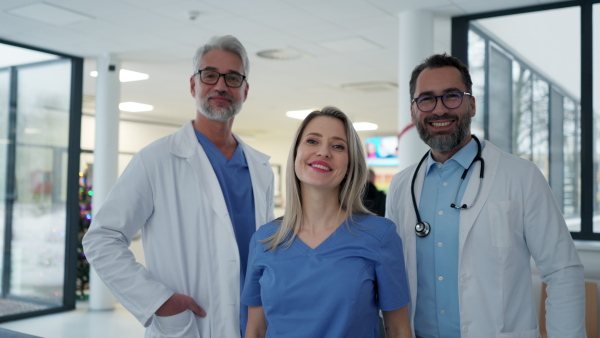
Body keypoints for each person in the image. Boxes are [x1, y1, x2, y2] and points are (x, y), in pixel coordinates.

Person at [82, 35, 274, 338]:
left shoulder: (261, 169)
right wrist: (158, 301)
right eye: (209, 75)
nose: (221, 86)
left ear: (245, 90)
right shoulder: (155, 160)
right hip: (191, 325)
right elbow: (101, 238)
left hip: (252, 326)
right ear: (193, 85)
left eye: (233, 77)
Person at [385, 53, 585, 337]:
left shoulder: (521, 176)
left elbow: (563, 272)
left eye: (452, 96)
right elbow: (394, 277)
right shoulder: (401, 186)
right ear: (414, 111)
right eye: (426, 99)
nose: (439, 109)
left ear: (472, 104)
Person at [242, 107, 411, 338]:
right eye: (312, 141)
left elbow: (399, 329)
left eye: (338, 146)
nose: (323, 152)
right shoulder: (265, 240)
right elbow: (255, 330)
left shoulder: (379, 235)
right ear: (295, 154)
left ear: (350, 164)